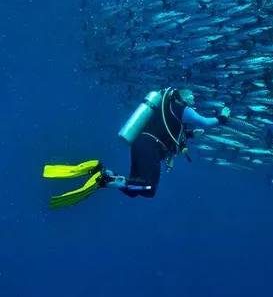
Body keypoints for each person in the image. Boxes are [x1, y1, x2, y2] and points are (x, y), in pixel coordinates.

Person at [43, 88, 231, 209]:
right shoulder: (181, 107)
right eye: (190, 96)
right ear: (182, 97)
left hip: (141, 144)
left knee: (134, 190)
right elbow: (204, 122)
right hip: (151, 147)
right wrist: (222, 118)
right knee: (148, 188)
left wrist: (190, 135)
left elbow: (167, 133)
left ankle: (104, 173)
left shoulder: (166, 109)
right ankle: (104, 178)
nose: (193, 100)